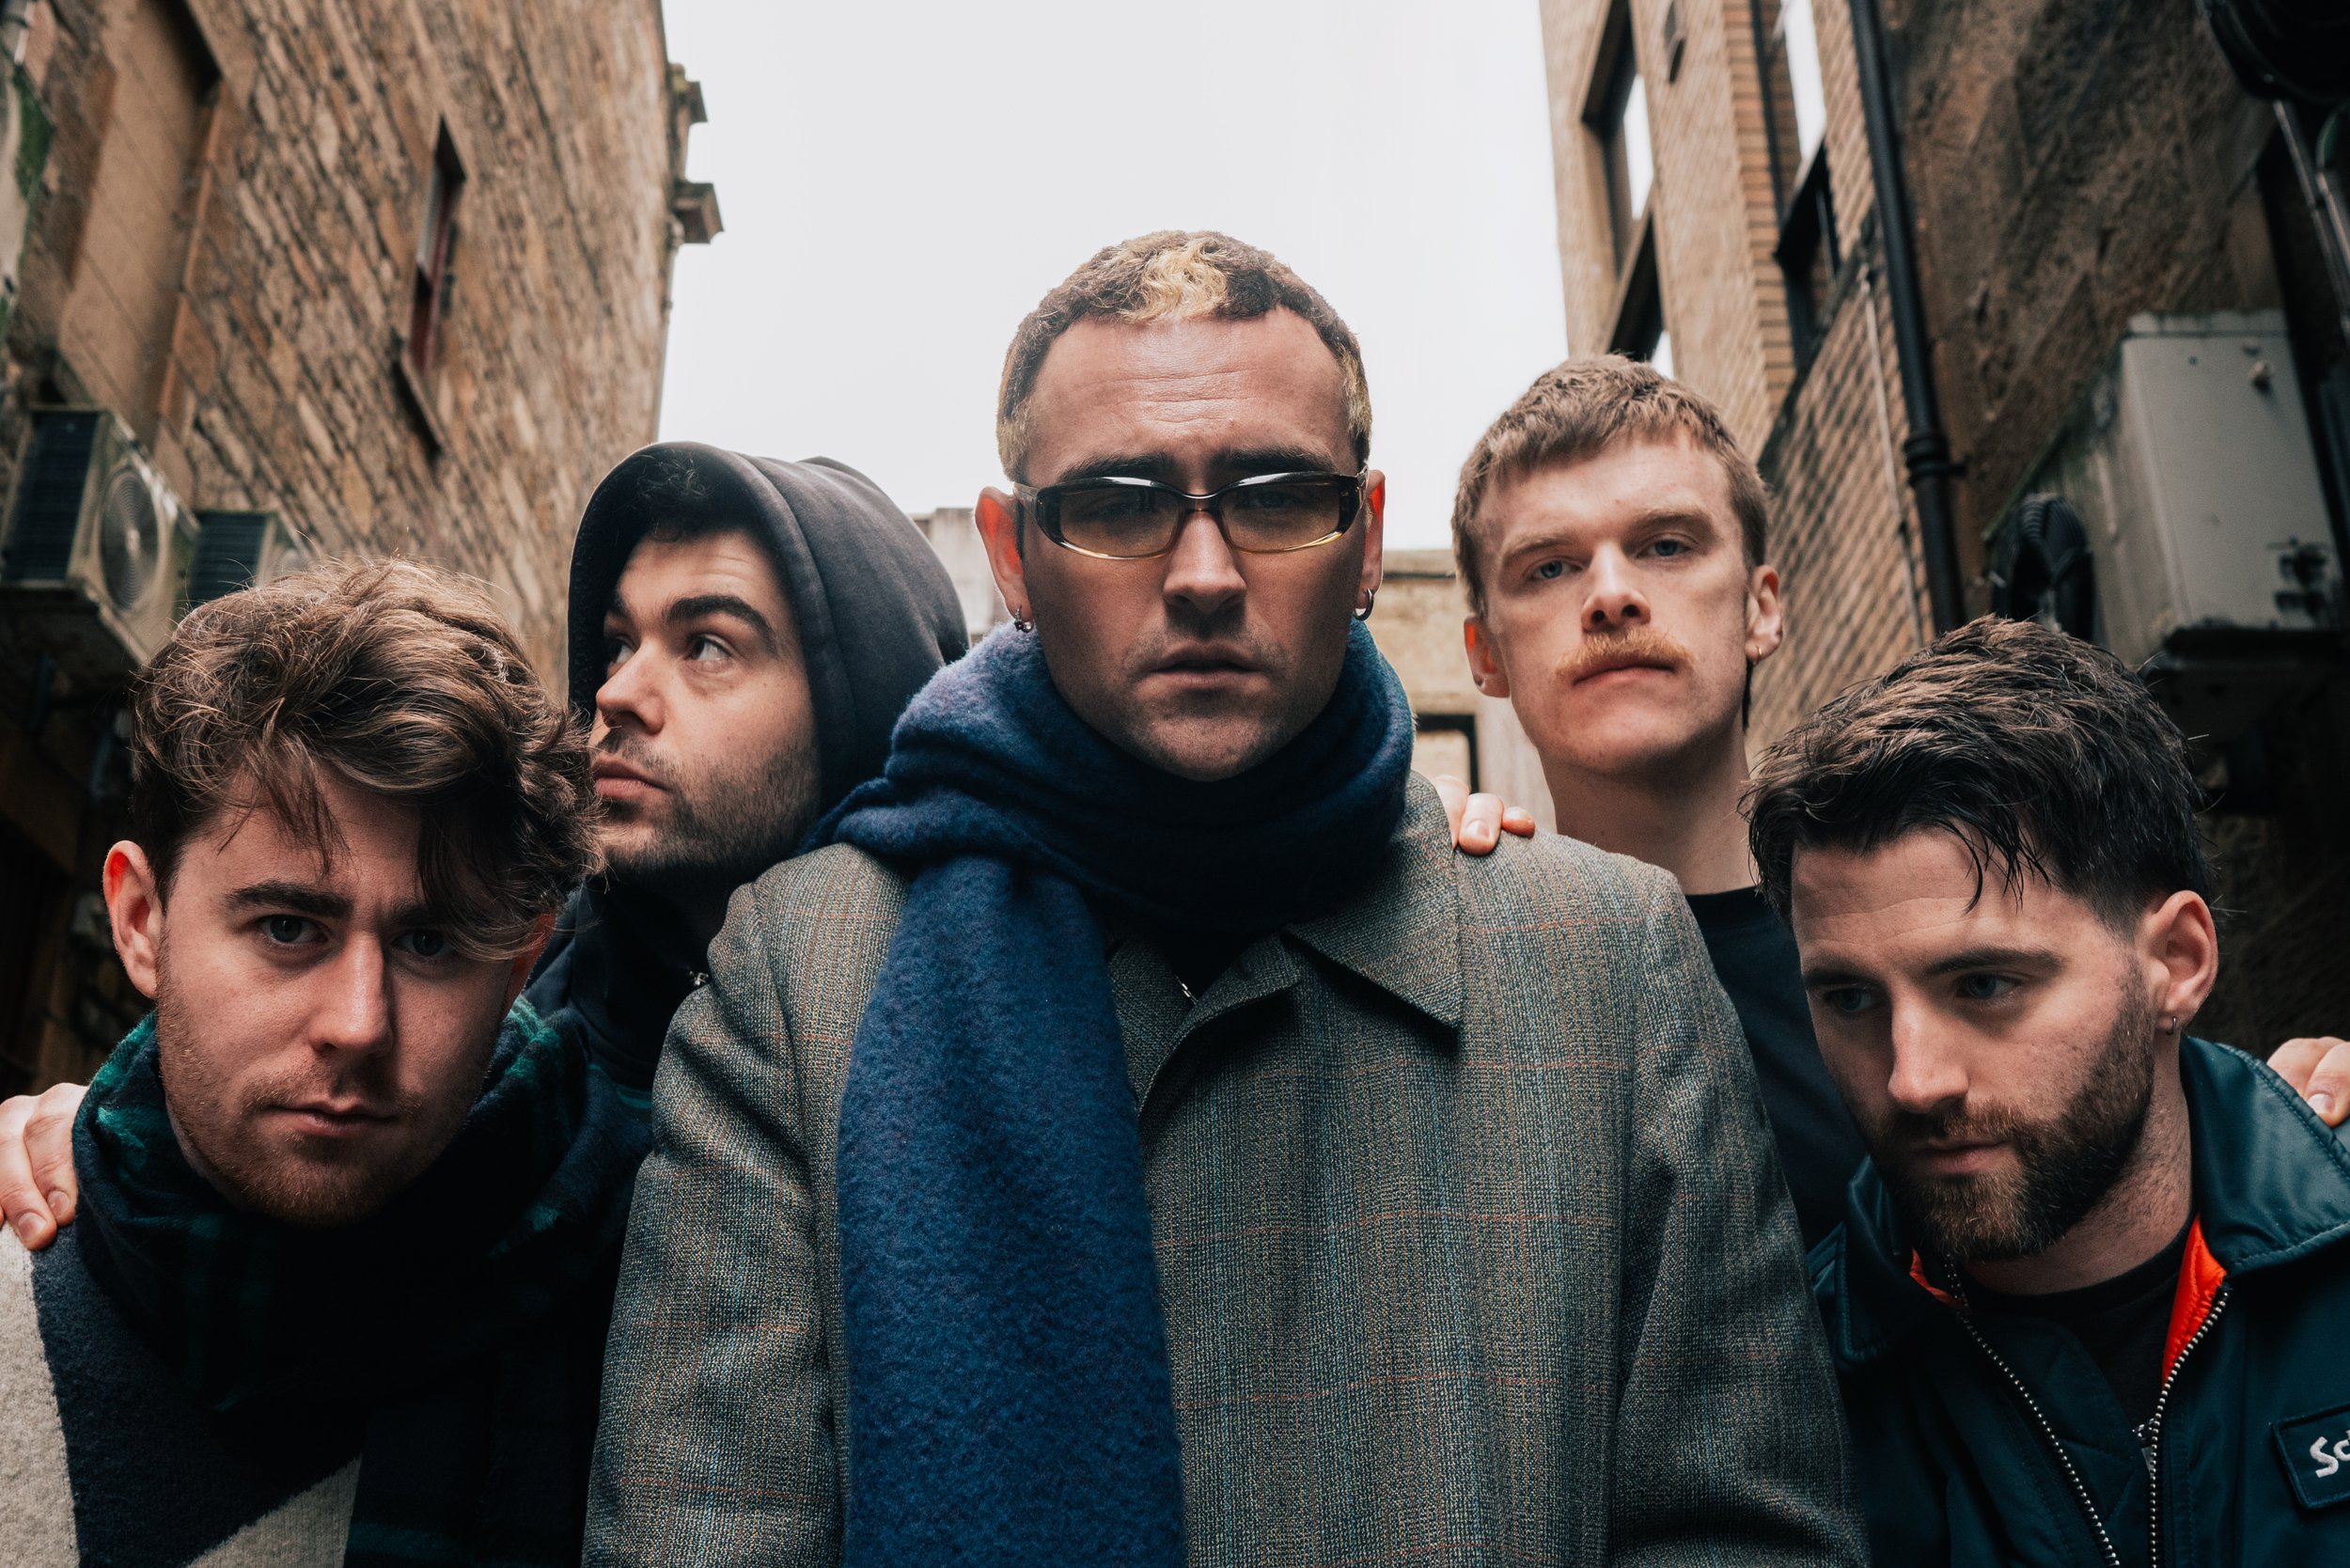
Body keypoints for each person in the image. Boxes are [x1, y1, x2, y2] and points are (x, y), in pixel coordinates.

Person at [587, 231, 1861, 1565]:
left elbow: (1742, 1527)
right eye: (1122, 505)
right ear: (1014, 557)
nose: (1201, 575)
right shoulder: (798, 976)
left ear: (1366, 539)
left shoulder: (1609, 962)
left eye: (1272, 497)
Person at [1449, 355, 2350, 1247]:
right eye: (1550, 568)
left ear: (1762, 606)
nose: (1612, 595)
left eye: (1666, 545)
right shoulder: (1450, 961)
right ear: (1483, 653)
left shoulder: (1934, 942)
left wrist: (2287, 1131)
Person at [0, 560, 629, 1565]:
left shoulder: (645, 1339)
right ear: (140, 922)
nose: (357, 1024)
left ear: (519, 967)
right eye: (289, 926)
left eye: (430, 944)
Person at [1748, 615, 2350, 1566]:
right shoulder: (1782, 1399)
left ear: (2176, 962)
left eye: (1984, 986)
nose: (1914, 1081)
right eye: (1851, 999)